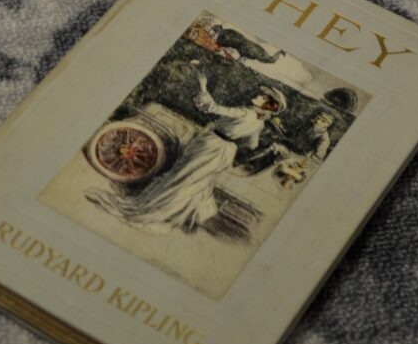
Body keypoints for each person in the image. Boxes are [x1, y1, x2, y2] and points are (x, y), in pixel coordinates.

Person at [84, 74, 288, 233]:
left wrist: (202, 86)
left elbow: (211, 107)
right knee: (192, 182)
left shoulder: (245, 112)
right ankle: (168, 215)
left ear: (269, 105)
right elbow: (252, 145)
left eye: (264, 96)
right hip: (225, 152)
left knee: (180, 178)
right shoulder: (259, 123)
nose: (258, 95)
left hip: (211, 145)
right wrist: (242, 139)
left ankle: (148, 211)